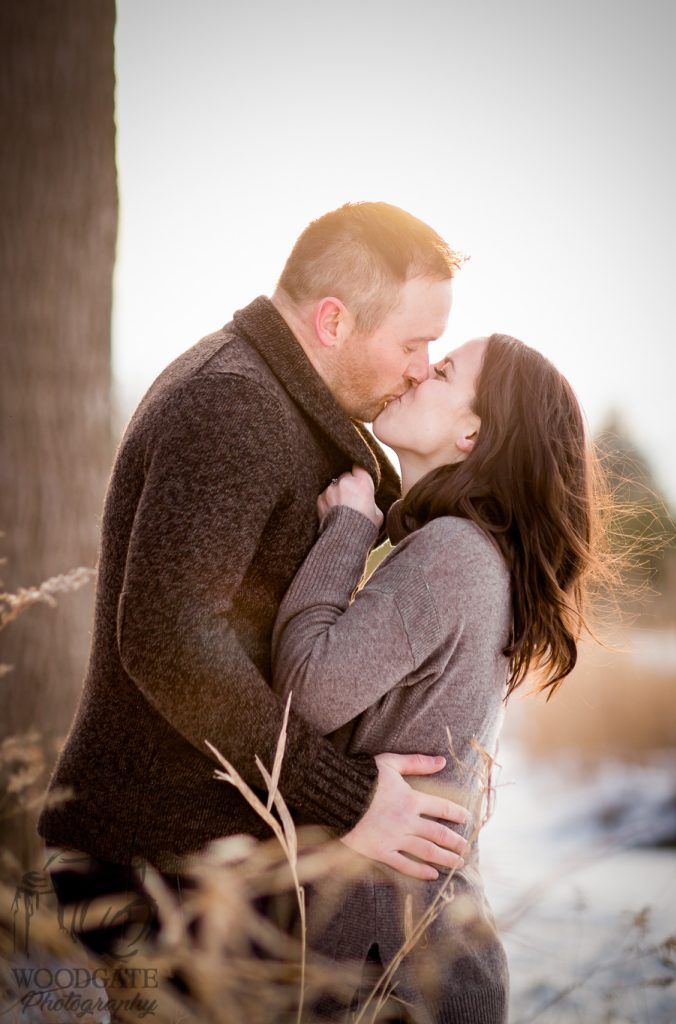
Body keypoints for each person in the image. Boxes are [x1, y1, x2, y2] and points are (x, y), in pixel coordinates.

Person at [37, 202, 473, 955]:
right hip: (161, 867)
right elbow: (168, 636)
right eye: (412, 342)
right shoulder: (231, 402)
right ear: (332, 322)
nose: (418, 366)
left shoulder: (281, 403)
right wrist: (349, 798)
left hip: (202, 857)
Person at [271, 334, 608, 1022]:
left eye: (445, 370)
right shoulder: (459, 550)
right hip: (401, 956)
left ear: (470, 431)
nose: (418, 369)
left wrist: (344, 528)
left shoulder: (451, 553)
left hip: (396, 972)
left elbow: (303, 694)